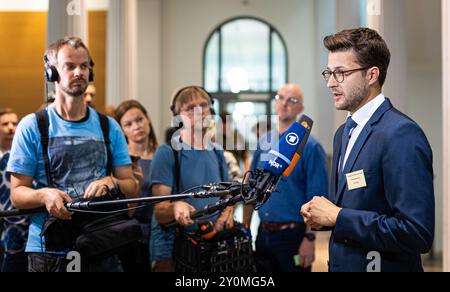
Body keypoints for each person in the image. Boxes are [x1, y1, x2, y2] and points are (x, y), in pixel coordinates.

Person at [301, 28, 435, 272]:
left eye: (341, 73)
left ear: (372, 74)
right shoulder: (343, 134)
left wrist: (338, 216)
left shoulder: (400, 134)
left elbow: (416, 232)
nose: (331, 83)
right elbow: (357, 205)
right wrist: (323, 216)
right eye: (329, 73)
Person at [7, 37, 139, 272]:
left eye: (84, 66)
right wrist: (44, 195)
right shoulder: (32, 126)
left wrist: (112, 182)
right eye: (70, 66)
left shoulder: (110, 127)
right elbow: (17, 194)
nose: (79, 72)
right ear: (52, 72)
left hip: (102, 246)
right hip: (49, 252)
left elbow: (131, 186)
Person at [243, 84, 328, 272]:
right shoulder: (264, 143)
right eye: (280, 98)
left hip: (294, 237)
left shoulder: (311, 147)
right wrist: (245, 230)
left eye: (292, 100)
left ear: (301, 109)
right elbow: (251, 189)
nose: (284, 104)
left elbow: (317, 198)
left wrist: (309, 239)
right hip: (263, 234)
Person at [150, 86, 232, 272]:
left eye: (203, 105)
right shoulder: (167, 152)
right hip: (174, 248)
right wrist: (175, 207)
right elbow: (160, 212)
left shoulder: (217, 151)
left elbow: (228, 197)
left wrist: (227, 213)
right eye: (190, 107)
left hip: (211, 243)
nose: (199, 111)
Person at [115, 100, 158, 272]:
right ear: (122, 130)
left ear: (147, 119)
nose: (136, 126)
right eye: (128, 124)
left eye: (140, 119)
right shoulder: (121, 161)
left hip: (162, 232)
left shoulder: (164, 154)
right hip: (131, 236)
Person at [0, 109, 29, 272]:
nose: (11, 127)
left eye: (14, 123)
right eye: (5, 124)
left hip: (19, 226)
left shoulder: (25, 155)